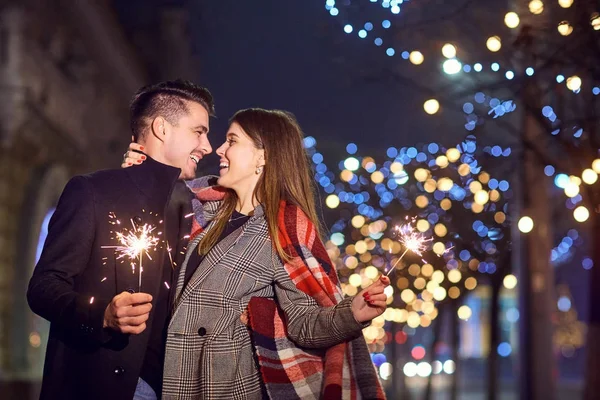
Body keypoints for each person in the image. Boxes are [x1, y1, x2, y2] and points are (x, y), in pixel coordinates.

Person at [125, 108, 389, 399]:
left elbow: (302, 321)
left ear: (262, 157)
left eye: (232, 141)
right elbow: (136, 254)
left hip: (220, 387)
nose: (220, 149)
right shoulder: (198, 209)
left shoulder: (283, 229)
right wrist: (136, 183)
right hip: (155, 375)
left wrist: (352, 314)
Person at [27, 79, 215, 400]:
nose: (207, 146)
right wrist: (101, 315)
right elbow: (44, 287)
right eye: (198, 131)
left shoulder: (192, 211)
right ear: (162, 128)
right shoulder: (94, 192)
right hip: (97, 386)